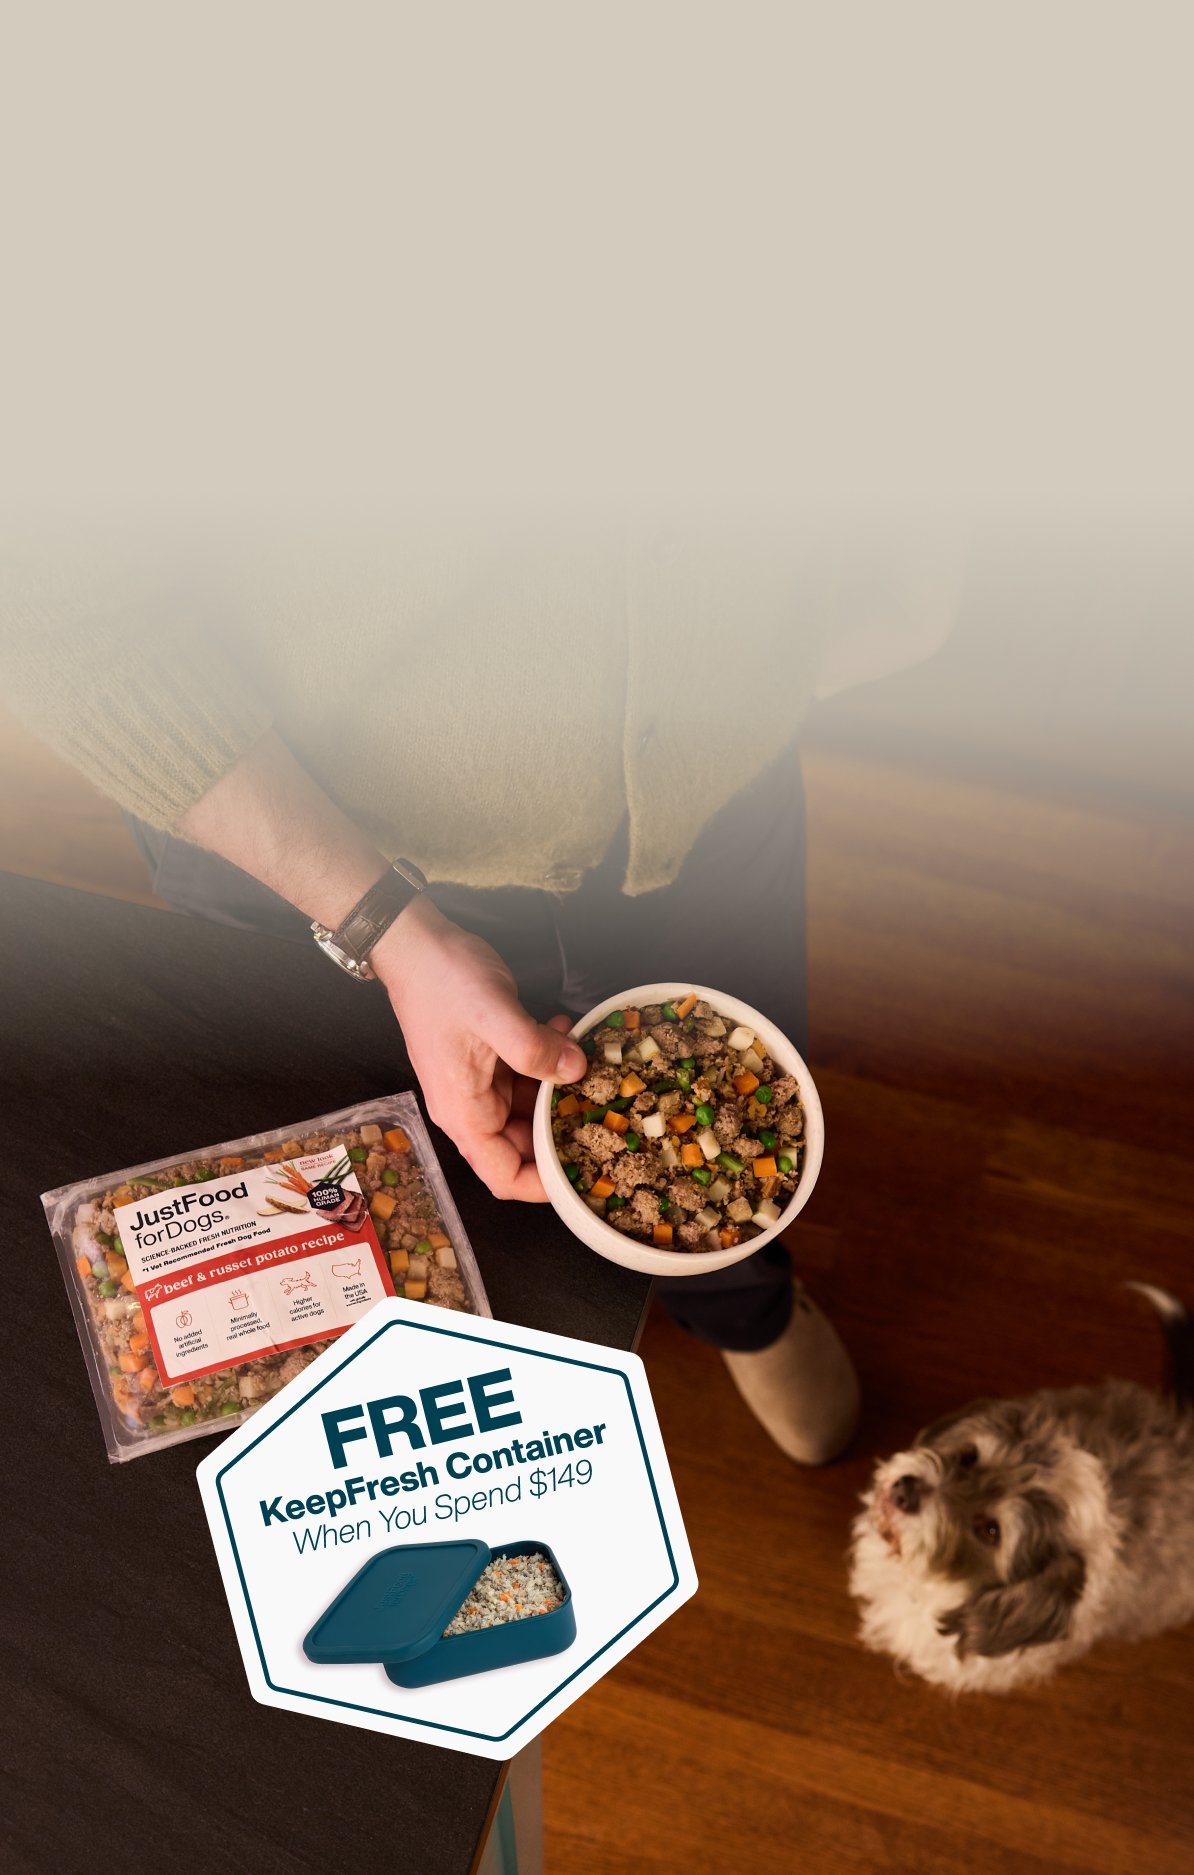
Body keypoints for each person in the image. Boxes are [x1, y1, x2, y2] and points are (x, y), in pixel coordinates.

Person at [1, 516, 956, 1463]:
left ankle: (739, 1303)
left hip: (710, 782)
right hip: (314, 836)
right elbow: (51, 597)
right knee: (369, 1202)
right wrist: (381, 923)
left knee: (729, 1130)